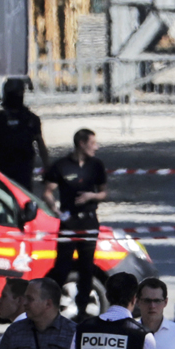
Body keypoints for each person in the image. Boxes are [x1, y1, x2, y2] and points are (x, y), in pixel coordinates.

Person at [44, 129, 108, 320]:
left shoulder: (96, 165)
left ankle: (82, 310)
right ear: (81, 143)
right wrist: (56, 210)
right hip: (69, 221)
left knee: (86, 268)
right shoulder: (62, 166)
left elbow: (104, 192)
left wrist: (92, 196)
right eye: (92, 143)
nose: (95, 147)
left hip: (89, 220)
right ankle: (51, 308)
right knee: (62, 266)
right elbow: (47, 191)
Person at [0, 78, 50, 191]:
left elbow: (41, 144)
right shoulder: (0, 119)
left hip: (23, 166)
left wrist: (48, 168)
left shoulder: (29, 118)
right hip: (6, 165)